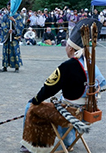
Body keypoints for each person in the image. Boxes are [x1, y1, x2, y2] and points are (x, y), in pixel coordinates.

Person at [20, 18, 105, 153]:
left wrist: (35, 100)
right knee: (61, 101)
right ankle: (69, 139)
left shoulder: (68, 66)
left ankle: (31, 145)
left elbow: (48, 89)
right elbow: (103, 84)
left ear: (71, 48)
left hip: (70, 113)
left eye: (66, 45)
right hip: (86, 112)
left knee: (31, 105)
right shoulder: (91, 64)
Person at [0, 2, 24, 73]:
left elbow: (21, 26)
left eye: (11, 6)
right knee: (5, 52)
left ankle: (16, 67)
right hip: (7, 37)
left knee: (15, 51)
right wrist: (7, 31)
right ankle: (5, 66)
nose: (10, 7)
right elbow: (2, 24)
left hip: (14, 37)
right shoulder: (5, 16)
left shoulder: (17, 16)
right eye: (8, 6)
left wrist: (14, 21)